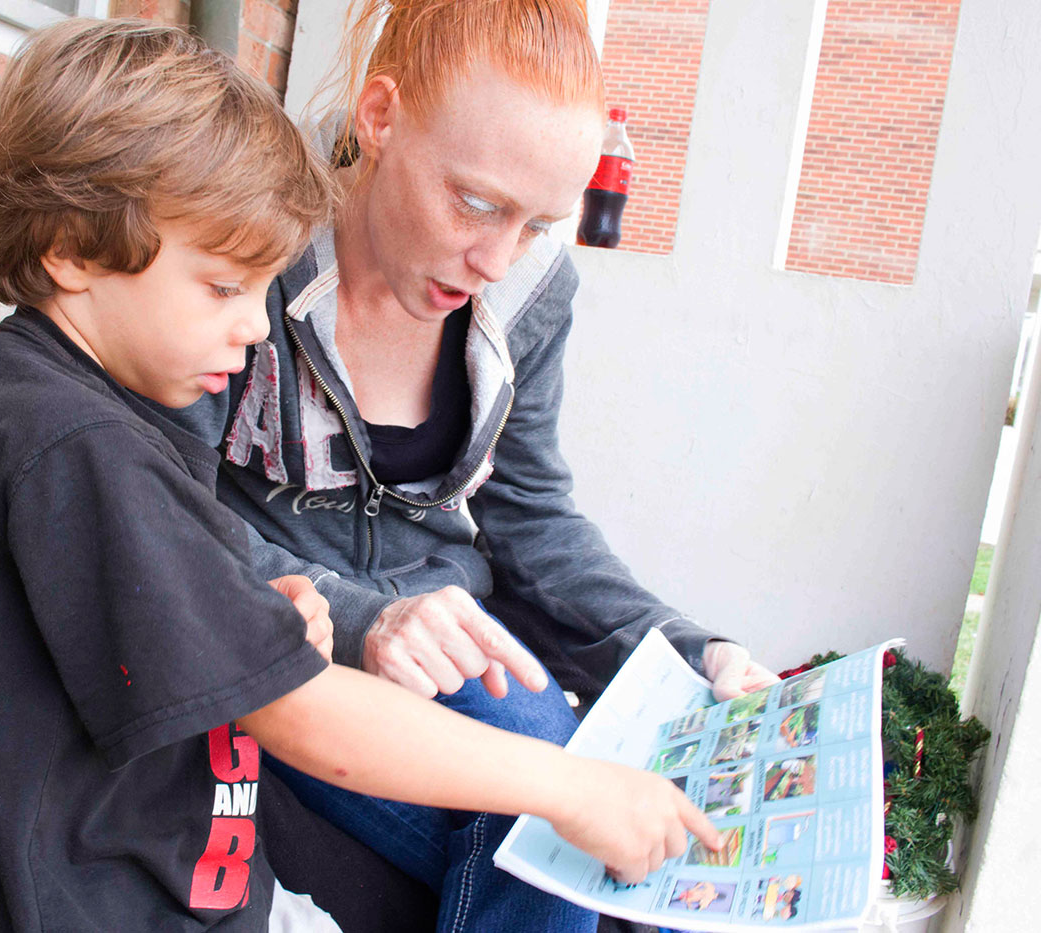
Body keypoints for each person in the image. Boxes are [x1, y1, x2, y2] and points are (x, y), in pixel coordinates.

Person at [0, 18, 721, 932]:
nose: (254, 330)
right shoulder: (76, 444)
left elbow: (165, 594)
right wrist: (567, 784)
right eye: (223, 288)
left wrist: (259, 607)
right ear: (70, 251)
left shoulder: (54, 416)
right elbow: (300, 711)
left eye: (259, 287)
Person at [164, 1, 780, 929]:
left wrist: (697, 651)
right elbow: (165, 509)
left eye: (537, 223)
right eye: (477, 203)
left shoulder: (533, 293)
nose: (496, 259)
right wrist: (368, 617)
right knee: (569, 829)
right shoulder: (255, 244)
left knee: (602, 826)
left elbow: (532, 520)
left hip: (461, 657)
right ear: (379, 117)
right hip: (294, 648)